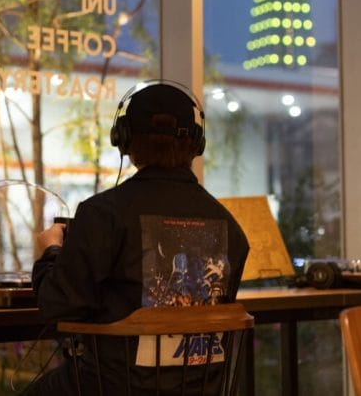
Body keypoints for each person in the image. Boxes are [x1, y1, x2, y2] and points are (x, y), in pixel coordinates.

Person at [26, 81, 250, 395]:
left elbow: (58, 307)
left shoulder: (102, 215)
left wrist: (51, 251)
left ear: (124, 139)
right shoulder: (230, 228)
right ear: (196, 144)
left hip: (111, 387)